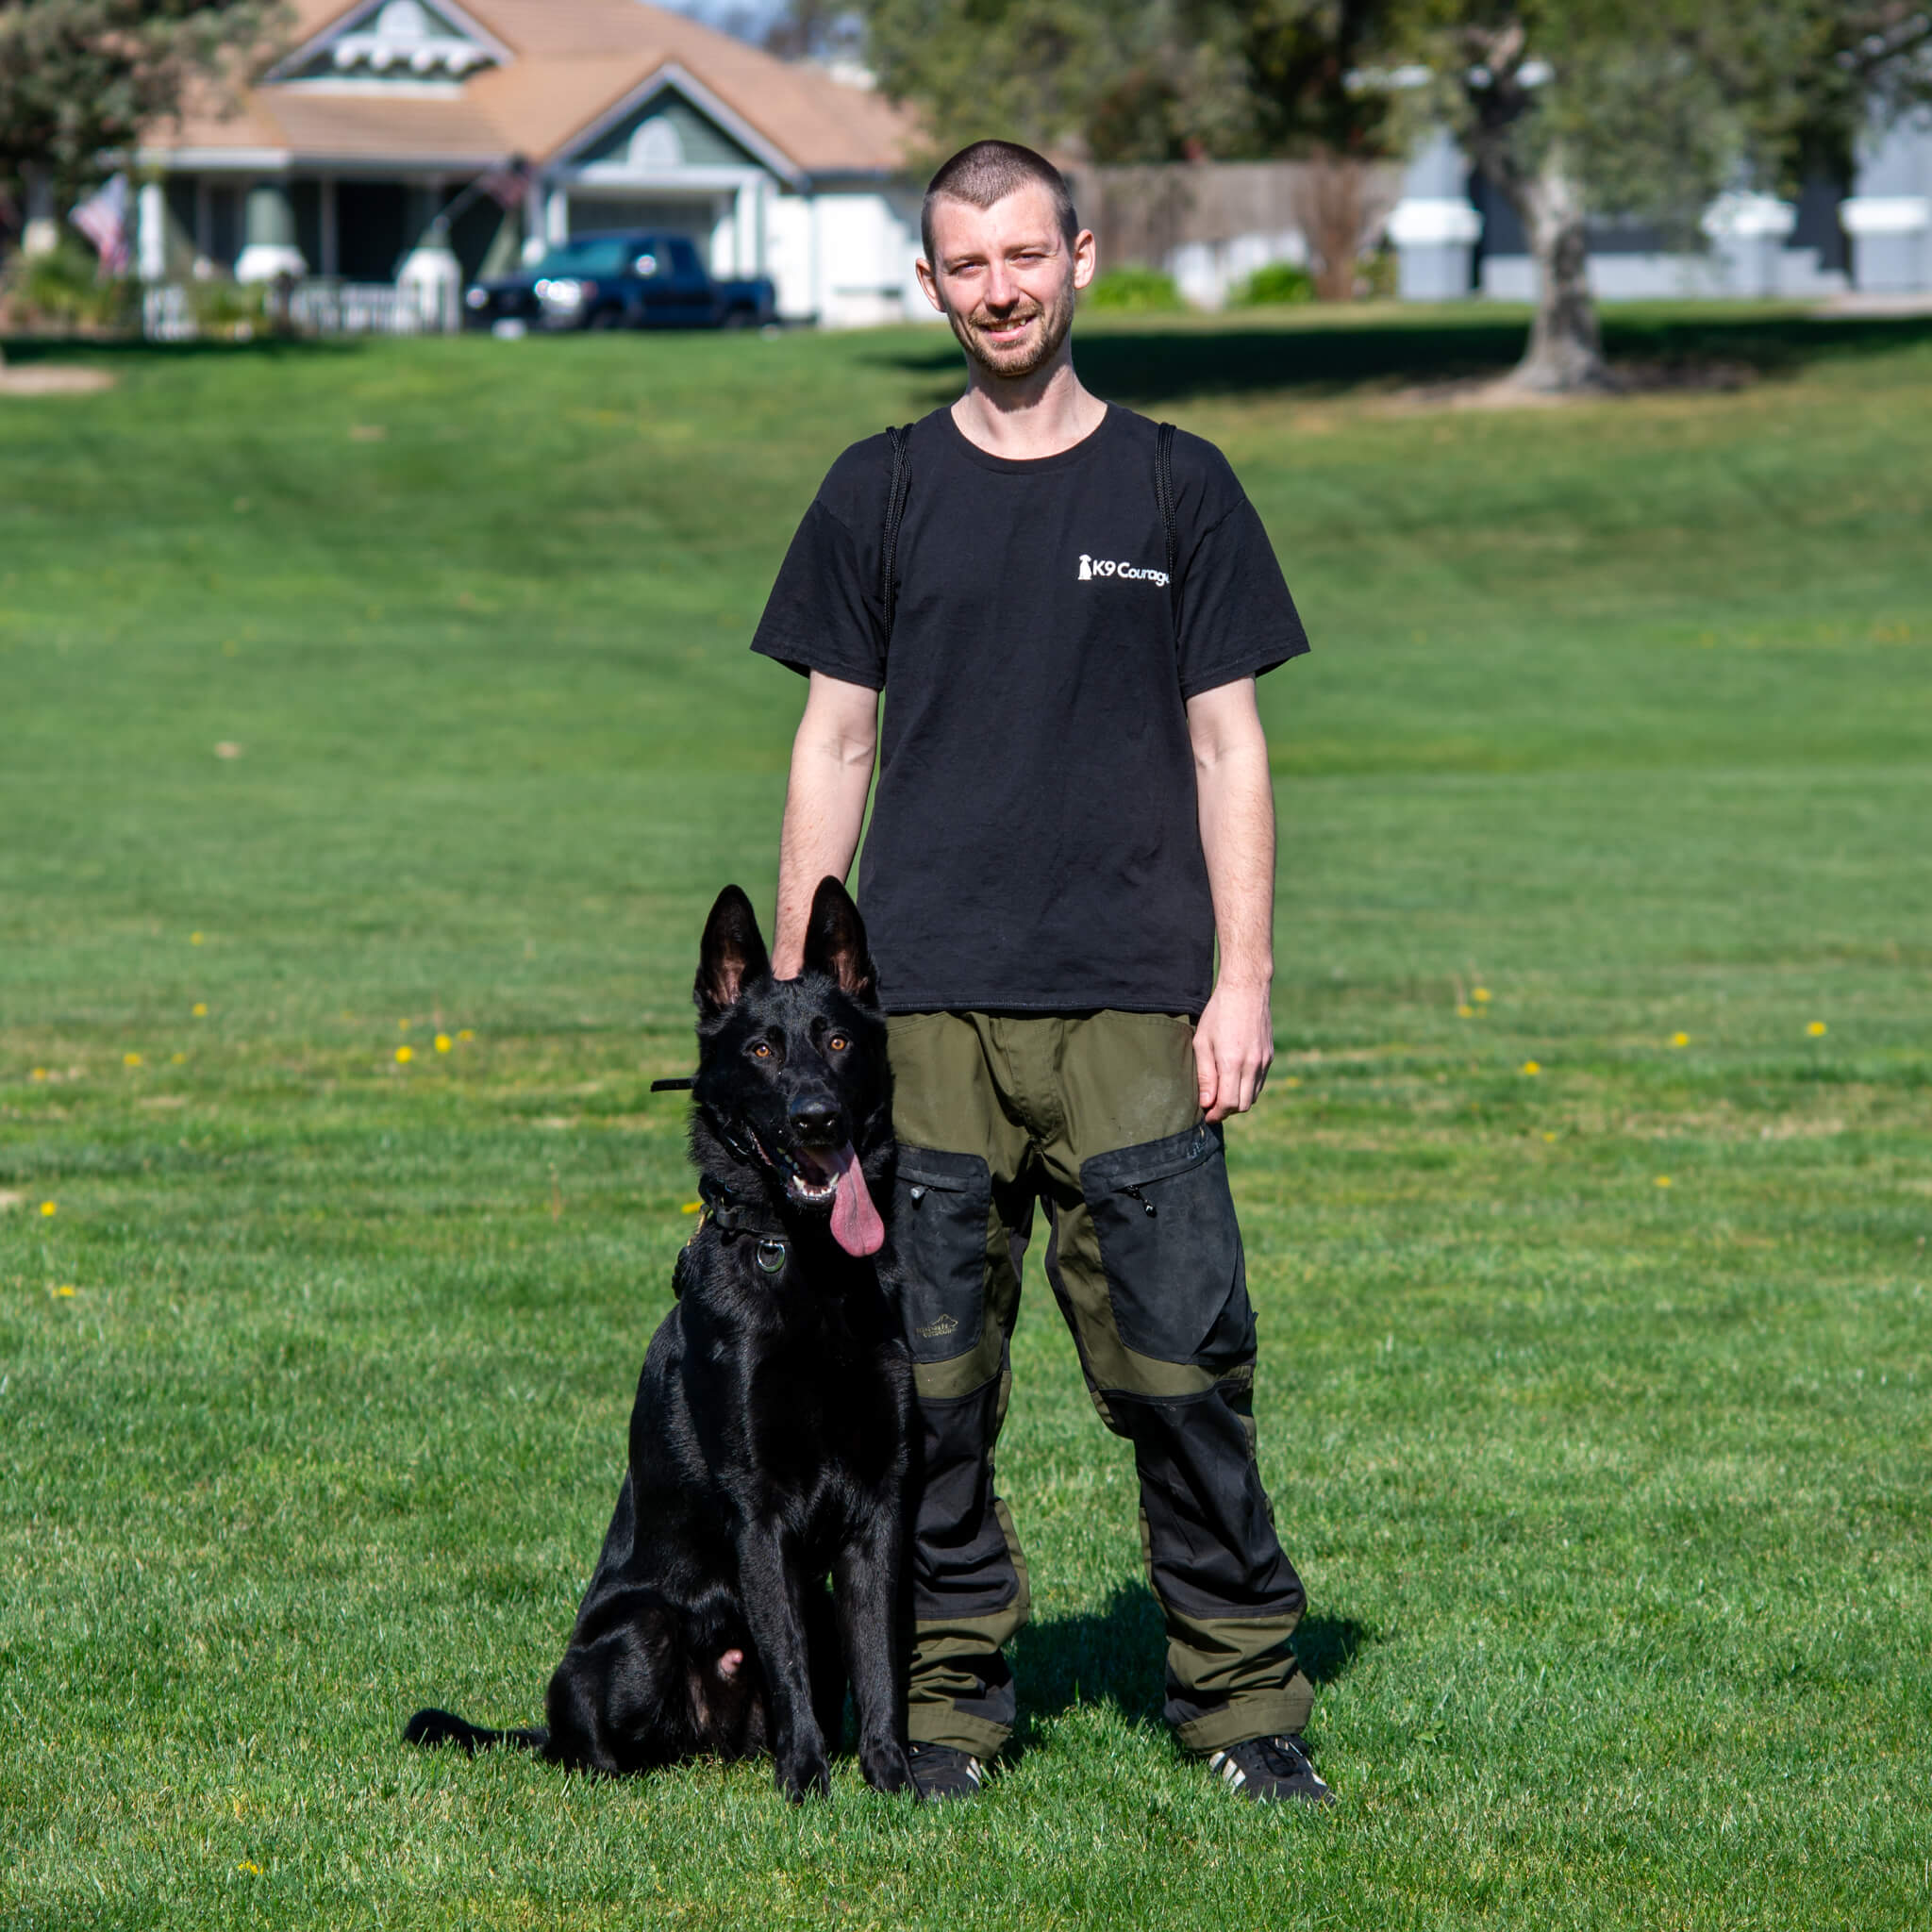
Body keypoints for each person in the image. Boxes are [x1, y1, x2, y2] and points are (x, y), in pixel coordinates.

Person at [749, 140, 1329, 1807]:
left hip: (1135, 1000)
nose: (998, 289)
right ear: (928, 285)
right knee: (927, 1382)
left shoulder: (1175, 485)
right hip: (916, 1005)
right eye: (965, 265)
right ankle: (940, 1710)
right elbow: (833, 740)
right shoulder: (880, 487)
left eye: (1025, 255)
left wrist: (1246, 979)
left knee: (1179, 1372)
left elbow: (1231, 747)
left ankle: (1242, 1710)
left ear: (1080, 256)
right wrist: (807, 1003)